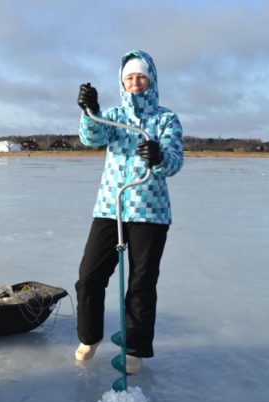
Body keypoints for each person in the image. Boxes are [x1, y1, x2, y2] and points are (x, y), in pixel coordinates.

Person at [74, 50, 184, 374]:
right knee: (89, 277)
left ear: (150, 80)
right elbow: (90, 137)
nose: (135, 83)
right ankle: (89, 337)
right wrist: (89, 111)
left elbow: (175, 162)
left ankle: (134, 348)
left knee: (140, 283)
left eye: (141, 77)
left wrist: (158, 154)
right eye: (129, 78)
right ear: (123, 83)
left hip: (150, 212)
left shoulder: (165, 119)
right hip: (112, 207)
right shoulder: (114, 116)